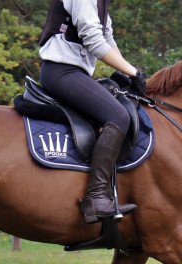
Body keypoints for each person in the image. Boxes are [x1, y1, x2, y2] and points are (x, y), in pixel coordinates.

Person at [38, 0, 146, 223]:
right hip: (61, 70)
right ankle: (96, 197)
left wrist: (126, 70)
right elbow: (94, 40)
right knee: (117, 116)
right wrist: (133, 72)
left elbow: (107, 38)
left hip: (76, 73)